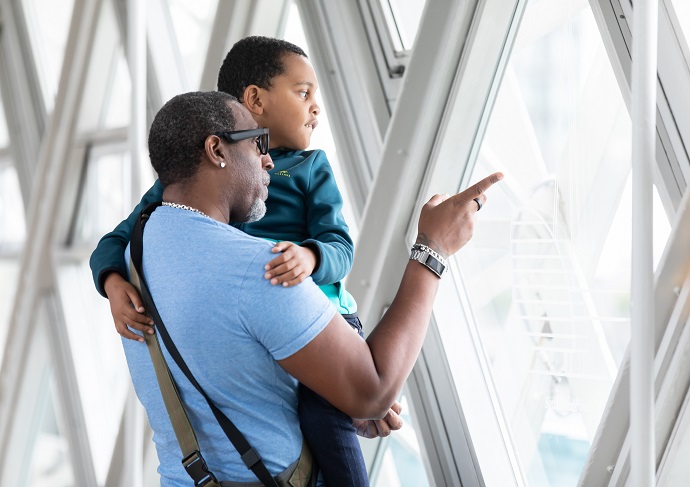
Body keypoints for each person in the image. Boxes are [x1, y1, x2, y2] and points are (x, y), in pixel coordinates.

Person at [123, 90, 501, 486]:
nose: (269, 160)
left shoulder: (139, 250)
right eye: (257, 143)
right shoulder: (259, 267)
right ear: (217, 150)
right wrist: (433, 248)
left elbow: (230, 367)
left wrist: (335, 391)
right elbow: (373, 390)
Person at [90, 36, 396, 485]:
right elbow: (115, 239)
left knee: (332, 414)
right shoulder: (186, 187)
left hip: (326, 313)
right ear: (253, 101)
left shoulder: (312, 168)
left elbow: (339, 244)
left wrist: (310, 257)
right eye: (303, 93)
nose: (316, 109)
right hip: (277, 322)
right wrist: (113, 282)